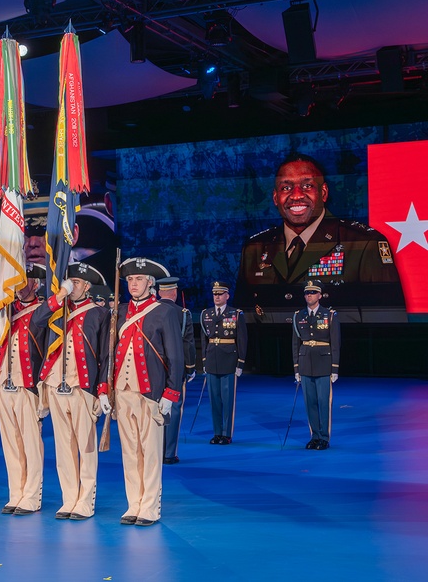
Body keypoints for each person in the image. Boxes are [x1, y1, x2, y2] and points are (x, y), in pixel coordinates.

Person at [235, 153, 404, 320]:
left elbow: (389, 331)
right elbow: (240, 327)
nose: (296, 195)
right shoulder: (255, 249)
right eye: (286, 188)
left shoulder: (364, 244)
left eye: (307, 186)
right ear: (275, 198)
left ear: (323, 192)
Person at [106, 257, 183, 527]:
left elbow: (175, 355)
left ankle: (149, 505)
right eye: (129, 279)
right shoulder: (120, 311)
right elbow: (109, 353)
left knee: (150, 452)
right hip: (123, 391)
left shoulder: (164, 311)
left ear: (151, 283)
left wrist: (171, 393)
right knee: (129, 451)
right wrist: (106, 390)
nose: (133, 284)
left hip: (150, 392)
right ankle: (133, 503)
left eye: (138, 279)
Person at [39, 262, 110, 520]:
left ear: (87, 286)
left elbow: (105, 355)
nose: (71, 287)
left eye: (76, 283)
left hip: (82, 386)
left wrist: (102, 389)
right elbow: (37, 321)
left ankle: (85, 500)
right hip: (55, 384)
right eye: (70, 282)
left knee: (86, 446)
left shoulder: (99, 314)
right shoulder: (58, 310)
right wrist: (58, 297)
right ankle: (69, 498)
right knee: (63, 446)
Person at [0, 264, 54, 516]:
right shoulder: (5, 311)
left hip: (28, 386)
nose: (17, 285)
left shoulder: (43, 311)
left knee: (30, 443)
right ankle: (15, 493)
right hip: (3, 386)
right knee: (10, 444)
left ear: (36, 284)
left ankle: (31, 495)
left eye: (23, 280)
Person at [292, 279, 340, 450]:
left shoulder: (330, 315)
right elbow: (295, 344)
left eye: (312, 292)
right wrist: (296, 368)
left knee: (323, 402)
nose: (309, 295)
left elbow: (335, 343)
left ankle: (324, 438)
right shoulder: (299, 315)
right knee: (310, 401)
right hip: (306, 363)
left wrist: (334, 368)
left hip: (323, 362)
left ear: (320, 295)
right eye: (306, 292)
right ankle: (315, 436)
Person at [156, 277, 197, 464]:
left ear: (158, 292)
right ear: (174, 293)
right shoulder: (183, 313)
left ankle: (154, 450)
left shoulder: (151, 310)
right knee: (173, 408)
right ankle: (169, 453)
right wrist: (190, 368)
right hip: (175, 368)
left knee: (153, 407)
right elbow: (187, 343)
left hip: (153, 368)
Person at [200, 281, 246, 445]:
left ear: (227, 295)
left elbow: (241, 339)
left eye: (220, 294)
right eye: (215, 294)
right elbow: (204, 339)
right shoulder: (206, 314)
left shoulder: (236, 313)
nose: (217, 297)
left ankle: (226, 434)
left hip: (229, 360)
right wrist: (204, 360)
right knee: (214, 399)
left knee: (227, 399)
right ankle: (217, 432)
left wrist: (240, 363)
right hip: (212, 359)